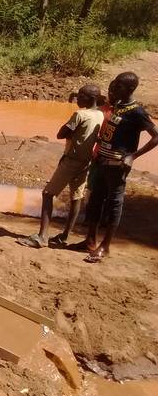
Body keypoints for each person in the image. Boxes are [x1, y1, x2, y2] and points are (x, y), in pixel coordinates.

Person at [82, 72, 158, 262]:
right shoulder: (117, 106)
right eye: (114, 84)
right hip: (101, 161)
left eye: (119, 86)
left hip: (117, 165)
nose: (114, 88)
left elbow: (156, 136)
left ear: (130, 89)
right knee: (95, 201)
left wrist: (133, 156)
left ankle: (105, 247)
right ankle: (90, 240)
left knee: (114, 204)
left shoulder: (137, 112)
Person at [17, 85, 104, 249]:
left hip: (71, 160)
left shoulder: (80, 114)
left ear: (90, 98)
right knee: (76, 197)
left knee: (48, 193)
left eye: (81, 96)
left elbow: (61, 134)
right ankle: (64, 236)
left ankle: (42, 237)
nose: (77, 98)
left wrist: (72, 132)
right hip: (86, 162)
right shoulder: (99, 114)